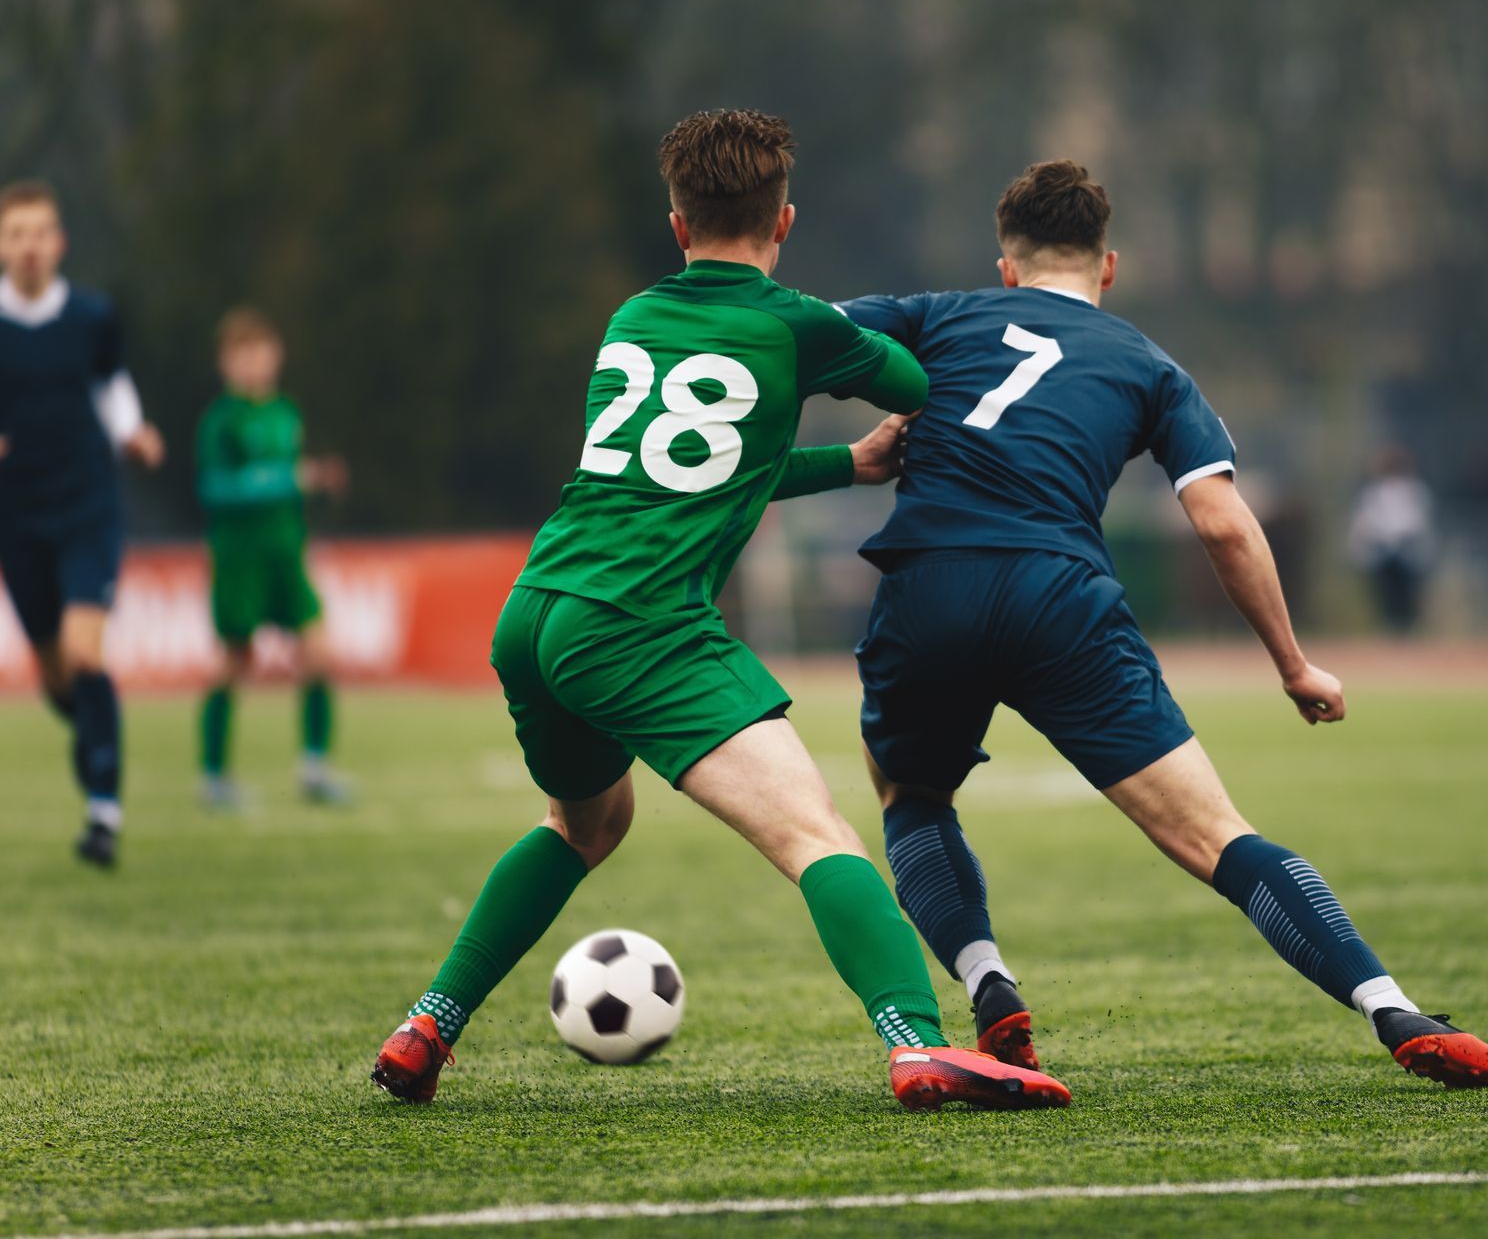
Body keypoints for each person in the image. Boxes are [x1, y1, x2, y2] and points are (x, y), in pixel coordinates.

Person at [370, 110, 1070, 1112]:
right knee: (818, 835)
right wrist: (866, 401)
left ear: (675, 225)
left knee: (584, 822)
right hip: (638, 621)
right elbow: (911, 379)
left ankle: (427, 1025)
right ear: (784, 221)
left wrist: (844, 465)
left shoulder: (633, 317)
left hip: (539, 610)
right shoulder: (798, 322)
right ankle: (918, 1043)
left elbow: (695, 466)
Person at [837, 160, 1488, 1088]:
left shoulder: (940, 314)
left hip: (928, 585)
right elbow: (1224, 524)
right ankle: (1390, 1009)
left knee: (911, 796)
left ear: (1006, 269)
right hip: (1058, 598)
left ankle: (989, 981)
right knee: (1217, 836)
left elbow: (799, 334)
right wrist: (1293, 664)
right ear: (1108, 269)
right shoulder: (1149, 365)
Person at [0, 179, 165, 867]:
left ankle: (103, 809)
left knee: (86, 653)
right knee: (60, 679)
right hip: (18, 519)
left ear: (59, 242)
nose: (29, 246)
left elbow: (110, 383)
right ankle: (95, 732)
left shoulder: (94, 316)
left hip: (86, 509)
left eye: (40, 232)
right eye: (15, 234)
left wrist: (133, 432)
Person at [194, 307, 352, 807]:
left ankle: (314, 768)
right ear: (225, 363)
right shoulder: (220, 422)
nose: (253, 364)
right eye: (241, 355)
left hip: (286, 553)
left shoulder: (286, 413)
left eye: (260, 352)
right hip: (239, 558)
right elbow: (216, 489)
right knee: (235, 660)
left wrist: (311, 480)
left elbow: (287, 479)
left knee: (320, 653)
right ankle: (213, 776)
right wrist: (292, 478)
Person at [1347, 446, 1437, 635]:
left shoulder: (1414, 490)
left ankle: (1408, 628)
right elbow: (1366, 522)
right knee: (1386, 594)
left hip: (1407, 550)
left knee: (1408, 595)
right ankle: (1390, 628)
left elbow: (1419, 521)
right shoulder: (1373, 493)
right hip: (1383, 550)